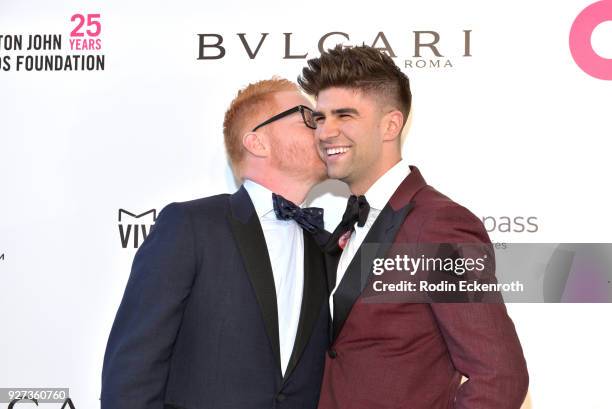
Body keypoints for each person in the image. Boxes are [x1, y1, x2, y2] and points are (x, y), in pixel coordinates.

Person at [298, 45, 529, 409]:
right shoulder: (351, 220)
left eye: (344, 115)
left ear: (391, 124)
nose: (326, 132)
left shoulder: (438, 225)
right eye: (320, 117)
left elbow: (499, 378)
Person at [101, 78, 330, 409]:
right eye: (309, 118)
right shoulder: (190, 226)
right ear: (257, 142)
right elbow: (132, 372)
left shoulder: (327, 246)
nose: (323, 131)